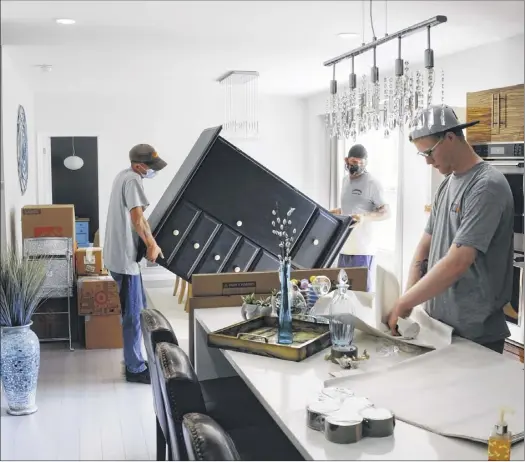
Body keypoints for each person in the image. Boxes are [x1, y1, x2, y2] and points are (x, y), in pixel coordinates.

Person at [385, 105, 514, 354]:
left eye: (430, 152)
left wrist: (405, 302)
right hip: (438, 328)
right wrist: (409, 301)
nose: (428, 161)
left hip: (475, 337)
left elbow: (458, 261)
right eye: (422, 156)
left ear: (451, 137)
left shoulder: (486, 186)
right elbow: (425, 247)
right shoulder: (446, 185)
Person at [104, 144, 167, 383]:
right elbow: (137, 219)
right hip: (124, 259)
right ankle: (135, 368)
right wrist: (151, 244)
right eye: (151, 167)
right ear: (140, 165)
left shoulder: (123, 175)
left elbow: (139, 218)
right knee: (133, 314)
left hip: (118, 255)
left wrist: (151, 237)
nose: (153, 171)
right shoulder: (133, 181)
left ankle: (133, 359)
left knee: (137, 308)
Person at [331, 144, 389, 291]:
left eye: (360, 163)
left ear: (365, 163)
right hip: (344, 248)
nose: (356, 166)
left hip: (363, 251)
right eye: (353, 163)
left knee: (362, 297)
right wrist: (335, 212)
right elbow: (350, 208)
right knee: (342, 295)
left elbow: (386, 212)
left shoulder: (372, 183)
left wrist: (364, 217)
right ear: (346, 161)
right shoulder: (345, 181)